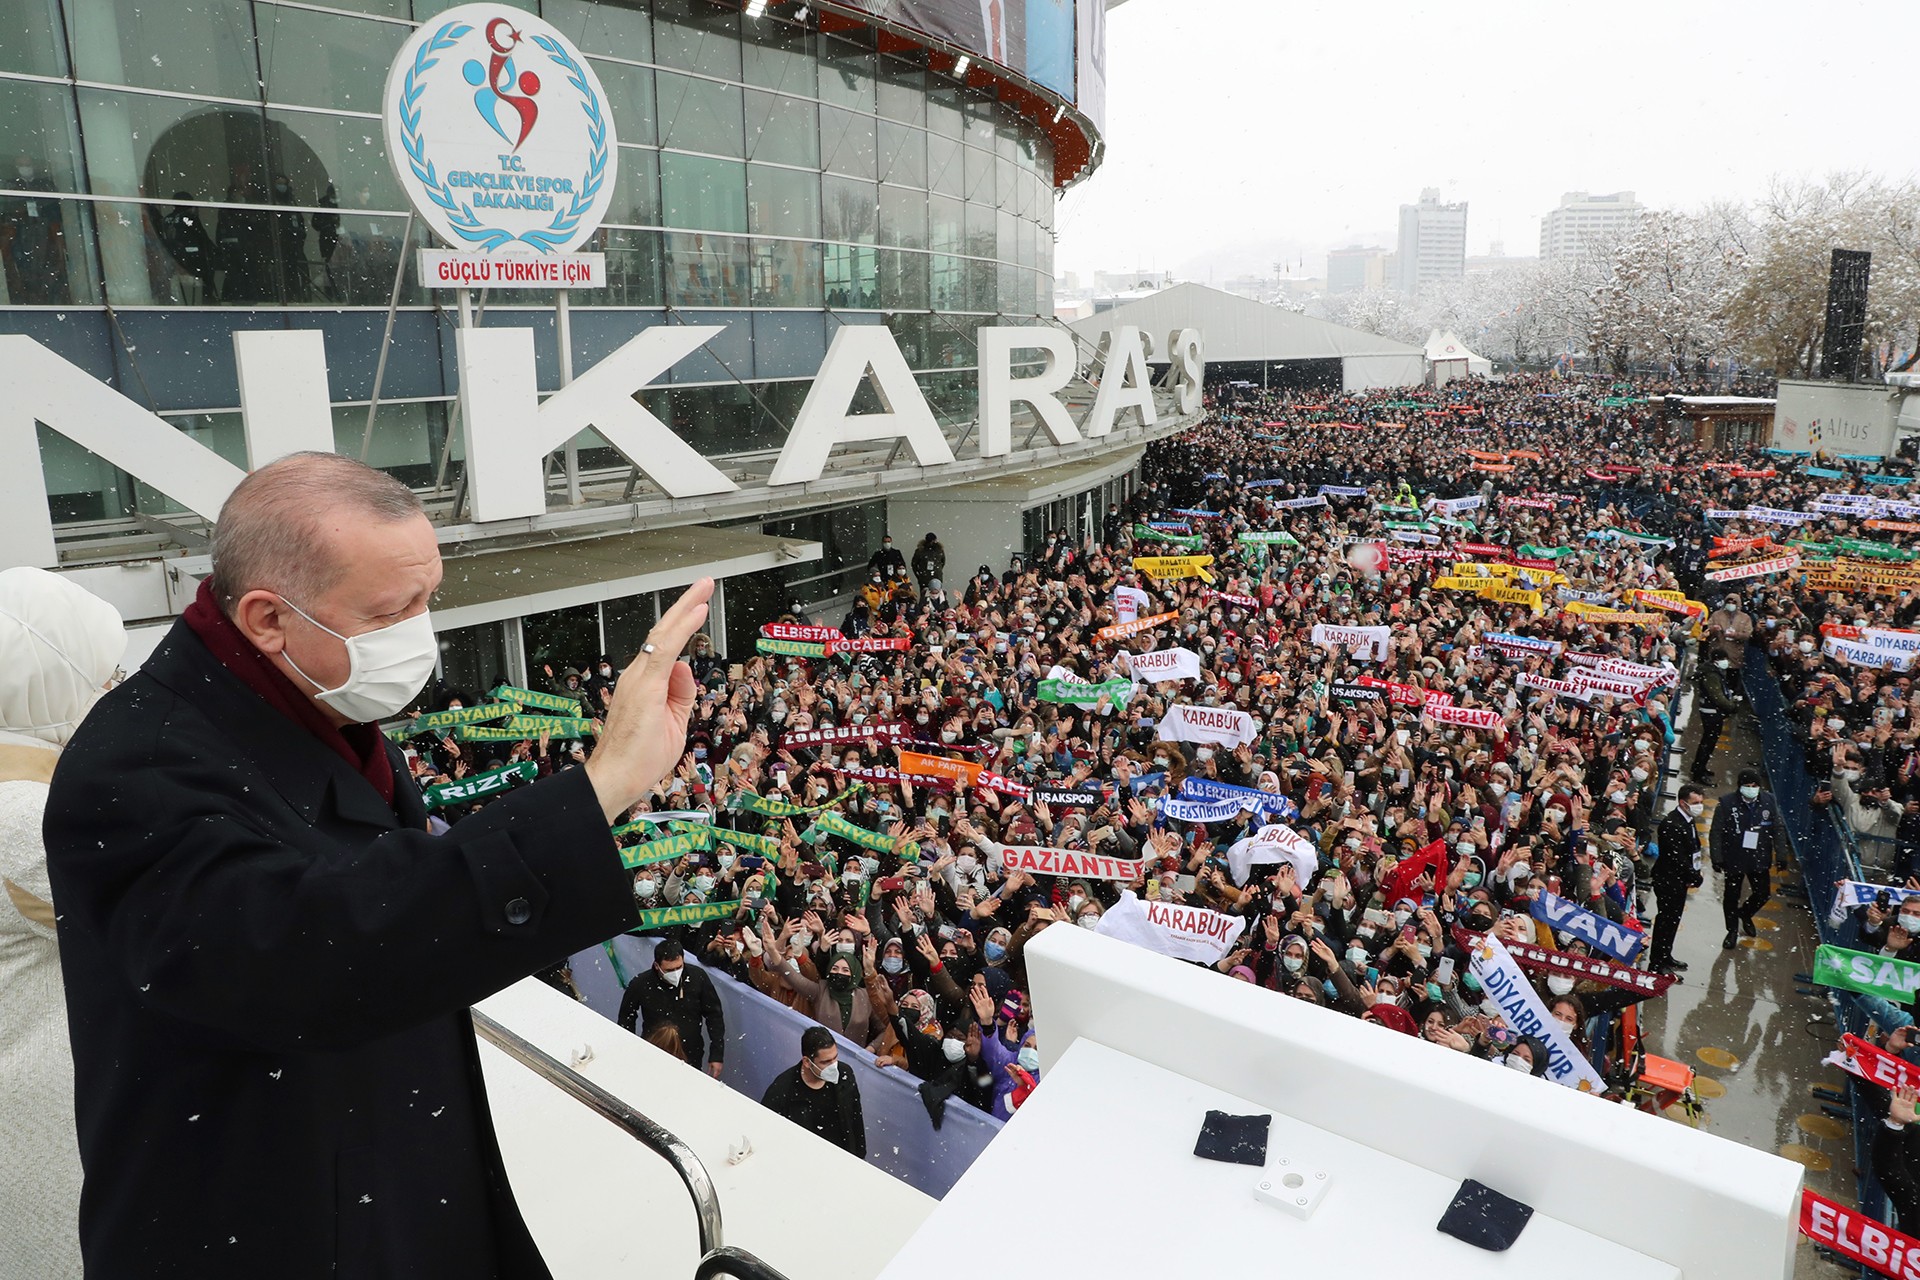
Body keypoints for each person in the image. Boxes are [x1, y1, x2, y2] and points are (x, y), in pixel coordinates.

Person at [43, 452, 715, 1279]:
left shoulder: (314, 708)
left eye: (427, 598)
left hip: (388, 1178)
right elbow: (321, 952)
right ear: (266, 618)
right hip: (270, 1226)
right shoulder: (137, 772)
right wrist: (601, 784)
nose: (419, 633)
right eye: (392, 609)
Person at [0, 568, 125, 1280]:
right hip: (49, 1133)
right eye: (106, 674)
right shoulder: (27, 820)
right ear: (52, 680)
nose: (118, 693)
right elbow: (197, 921)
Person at [616, 939, 727, 1077]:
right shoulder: (640, 984)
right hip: (653, 1052)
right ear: (657, 966)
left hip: (690, 1054)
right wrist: (629, 1050)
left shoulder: (698, 977)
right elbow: (626, 1018)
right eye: (669, 970)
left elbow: (714, 1015)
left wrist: (717, 1054)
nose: (675, 973)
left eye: (679, 967)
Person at [760, 1025, 866, 1158]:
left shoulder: (845, 1074)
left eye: (835, 1058)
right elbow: (766, 1132)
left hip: (842, 1158)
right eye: (826, 1062)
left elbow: (856, 1118)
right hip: (803, 1161)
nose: (833, 1066)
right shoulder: (782, 1090)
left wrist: (860, 1157)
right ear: (807, 1062)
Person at [1710, 768, 1783, 950]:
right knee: (1731, 896)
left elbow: (1778, 828)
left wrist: (1781, 854)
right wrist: (1717, 857)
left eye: (1754, 785)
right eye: (1747, 786)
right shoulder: (1726, 803)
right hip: (1734, 856)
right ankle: (1732, 930)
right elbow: (1716, 832)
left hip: (1759, 856)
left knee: (1762, 893)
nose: (1751, 789)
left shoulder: (1769, 800)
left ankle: (1744, 913)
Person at [1647, 786, 1705, 977]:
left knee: (1673, 920)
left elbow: (1691, 850)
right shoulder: (1672, 824)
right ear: (1683, 802)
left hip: (1679, 881)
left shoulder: (1687, 820)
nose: (1699, 806)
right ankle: (1657, 962)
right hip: (1668, 880)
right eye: (1695, 803)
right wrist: (1694, 877)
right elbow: (1676, 858)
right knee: (1666, 921)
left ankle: (1666, 954)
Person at [1689, 654, 1738, 785]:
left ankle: (1700, 767)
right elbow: (1717, 696)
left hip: (1711, 711)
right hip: (1711, 712)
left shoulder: (1713, 673)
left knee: (1708, 741)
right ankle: (1698, 773)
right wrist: (1731, 706)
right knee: (1708, 742)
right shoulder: (1711, 675)